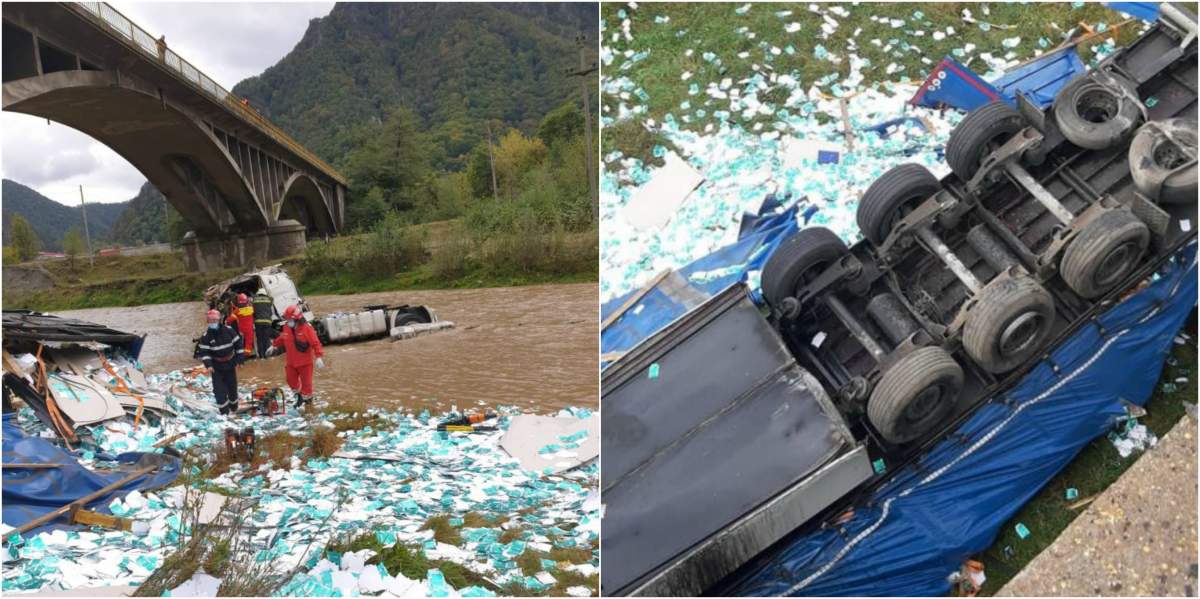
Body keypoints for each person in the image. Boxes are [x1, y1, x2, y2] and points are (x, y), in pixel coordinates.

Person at [267, 305, 325, 407]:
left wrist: (319, 357)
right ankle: (299, 396)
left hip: (305, 363)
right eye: (287, 319)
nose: (288, 321)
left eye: (290, 319)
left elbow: (315, 343)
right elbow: (282, 337)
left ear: (297, 319)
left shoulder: (307, 328)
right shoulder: (286, 327)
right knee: (290, 380)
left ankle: (308, 405)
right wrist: (274, 345)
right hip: (291, 362)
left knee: (307, 385)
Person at [194, 309, 244, 415]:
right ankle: (224, 413)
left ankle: (234, 408)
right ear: (208, 321)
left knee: (232, 389)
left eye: (214, 320)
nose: (213, 322)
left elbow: (238, 345)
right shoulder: (205, 336)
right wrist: (209, 365)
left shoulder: (229, 330)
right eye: (210, 321)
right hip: (216, 368)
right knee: (219, 392)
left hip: (230, 364)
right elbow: (204, 353)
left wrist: (240, 360)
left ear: (219, 319)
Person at [226, 293, 255, 358]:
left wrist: (227, 322)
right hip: (250, 329)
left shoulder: (238, 311)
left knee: (240, 342)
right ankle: (247, 355)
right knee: (249, 342)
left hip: (241, 329)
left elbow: (230, 319)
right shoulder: (251, 309)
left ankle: (240, 355)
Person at [252, 288, 276, 359]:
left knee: (260, 339)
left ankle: (261, 357)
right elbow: (272, 298)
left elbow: (253, 310)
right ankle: (268, 356)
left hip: (258, 322)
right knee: (266, 339)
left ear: (258, 293)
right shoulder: (269, 300)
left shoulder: (255, 300)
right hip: (267, 322)